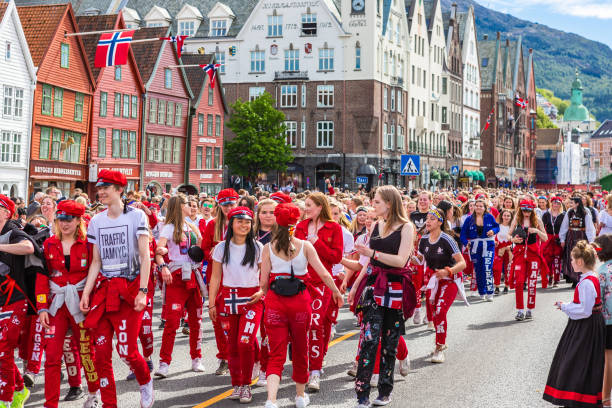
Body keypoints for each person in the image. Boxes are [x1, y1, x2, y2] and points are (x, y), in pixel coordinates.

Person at [79, 170, 154, 408]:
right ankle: (109, 404)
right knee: (101, 355)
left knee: (128, 351)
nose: (100, 192)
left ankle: (145, 382)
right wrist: (87, 292)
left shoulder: (137, 216)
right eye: (99, 189)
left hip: (130, 290)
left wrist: (143, 291)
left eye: (106, 188)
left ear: (120, 190)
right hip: (105, 291)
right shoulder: (97, 221)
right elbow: (96, 262)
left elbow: (145, 257)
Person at [260, 203, 343, 408]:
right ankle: (299, 396)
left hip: (275, 303)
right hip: (300, 302)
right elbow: (323, 273)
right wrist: (336, 291)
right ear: (296, 223)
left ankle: (271, 399)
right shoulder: (305, 246)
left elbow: (263, 283)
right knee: (300, 348)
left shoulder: (268, 248)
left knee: (276, 352)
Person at [349, 186, 416, 408]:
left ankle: (385, 391)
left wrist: (372, 253)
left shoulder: (406, 227)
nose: (373, 206)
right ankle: (362, 394)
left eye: (376, 202)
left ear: (389, 203)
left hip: (395, 287)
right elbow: (367, 263)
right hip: (373, 287)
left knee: (389, 344)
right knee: (369, 340)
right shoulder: (376, 225)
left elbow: (400, 260)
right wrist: (355, 286)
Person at [37, 200, 100, 408]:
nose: (64, 224)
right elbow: (41, 277)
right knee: (52, 356)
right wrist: (42, 307)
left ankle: (93, 394)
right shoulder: (48, 244)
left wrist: (91, 300)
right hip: (56, 305)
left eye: (69, 219)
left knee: (86, 352)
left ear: (78, 220)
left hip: (82, 304)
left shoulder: (89, 244)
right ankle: (50, 403)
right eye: (60, 219)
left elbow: (96, 272)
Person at [209, 207, 264, 403]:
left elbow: (265, 274)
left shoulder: (258, 247)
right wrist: (211, 304)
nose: (244, 225)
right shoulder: (221, 247)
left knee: (245, 341)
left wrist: (262, 291)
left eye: (248, 221)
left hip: (252, 300)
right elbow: (215, 278)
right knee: (231, 345)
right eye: (239, 221)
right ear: (231, 224)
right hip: (228, 300)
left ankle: (247, 384)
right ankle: (237, 384)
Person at [543, 241, 605, 408]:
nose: (570, 263)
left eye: (571, 260)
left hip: (586, 326)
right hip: (590, 324)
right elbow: (586, 304)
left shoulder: (586, 282)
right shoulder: (590, 278)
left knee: (576, 361)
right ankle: (581, 398)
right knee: (583, 361)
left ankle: (577, 399)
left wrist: (565, 306)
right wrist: (569, 304)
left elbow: (585, 310)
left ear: (579, 262)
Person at [294, 192, 343, 392]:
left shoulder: (334, 228)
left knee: (315, 324)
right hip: (302, 282)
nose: (306, 209)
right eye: (305, 205)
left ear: (320, 207)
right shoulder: (300, 227)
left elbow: (337, 257)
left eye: (309, 205)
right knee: (305, 326)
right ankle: (310, 363)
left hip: (322, 284)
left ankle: (314, 371)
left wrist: (317, 243)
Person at [154, 195, 203, 378]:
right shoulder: (168, 227)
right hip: (176, 277)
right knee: (172, 322)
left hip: (193, 276)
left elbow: (200, 249)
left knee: (196, 320)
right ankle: (164, 362)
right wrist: (163, 265)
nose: (191, 206)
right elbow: (158, 253)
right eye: (187, 204)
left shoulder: (192, 226)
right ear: (179, 206)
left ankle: (196, 358)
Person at [417, 208, 467, 363]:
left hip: (450, 279)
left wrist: (448, 271)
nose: (428, 221)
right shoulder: (423, 239)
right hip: (434, 279)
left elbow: (462, 263)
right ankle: (439, 343)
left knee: (440, 311)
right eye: (427, 218)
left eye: (432, 219)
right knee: (433, 312)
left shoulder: (447, 239)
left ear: (440, 222)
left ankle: (439, 347)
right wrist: (406, 258)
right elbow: (419, 260)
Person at [0, 195, 35, 408]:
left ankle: (5, 400)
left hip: (15, 299)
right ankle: (20, 390)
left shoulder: (13, 231)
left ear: (6, 212)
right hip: (1, 300)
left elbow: (28, 247)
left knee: (3, 349)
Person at [201, 188, 239, 375]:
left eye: (232, 204)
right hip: (217, 277)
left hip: (238, 279)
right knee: (217, 319)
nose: (228, 208)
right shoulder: (213, 225)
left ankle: (239, 356)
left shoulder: (244, 222)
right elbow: (204, 249)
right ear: (219, 206)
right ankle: (224, 357)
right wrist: (217, 254)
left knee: (236, 319)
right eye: (225, 205)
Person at [510, 200, 549, 321]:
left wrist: (537, 231)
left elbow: (545, 238)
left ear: (532, 209)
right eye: (524, 210)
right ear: (521, 209)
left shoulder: (538, 221)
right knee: (519, 282)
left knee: (532, 283)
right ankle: (520, 310)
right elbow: (509, 234)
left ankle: (529, 309)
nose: (526, 212)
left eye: (528, 210)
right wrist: (513, 240)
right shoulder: (517, 219)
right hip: (520, 253)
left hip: (533, 254)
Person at [460, 199, 499, 301]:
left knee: (487, 267)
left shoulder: (489, 217)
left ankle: (490, 292)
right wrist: (466, 243)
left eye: (481, 206)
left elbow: (497, 227)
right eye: (476, 206)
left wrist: (493, 231)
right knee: (478, 269)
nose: (478, 207)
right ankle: (482, 291)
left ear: (485, 207)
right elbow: (463, 234)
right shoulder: (469, 219)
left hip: (488, 244)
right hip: (475, 246)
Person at [560, 197, 596, 284]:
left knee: (581, 257)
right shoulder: (569, 212)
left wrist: (591, 241)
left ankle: (580, 278)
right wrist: (562, 239)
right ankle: (573, 279)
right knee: (571, 257)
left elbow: (590, 228)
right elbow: (564, 226)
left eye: (572, 203)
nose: (570, 204)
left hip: (581, 237)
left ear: (577, 204)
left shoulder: (585, 213)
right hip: (571, 237)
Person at [595, 235, 612, 407]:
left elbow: (597, 298)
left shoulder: (602, 271)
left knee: (609, 359)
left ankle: (606, 397)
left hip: (608, 320)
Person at [542, 197, 565, 288]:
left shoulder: (563, 215)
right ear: (551, 204)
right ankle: (550, 276)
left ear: (560, 205)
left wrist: (562, 239)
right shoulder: (546, 214)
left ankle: (556, 279)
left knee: (557, 259)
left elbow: (564, 228)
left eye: (558, 203)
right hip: (548, 238)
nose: (556, 205)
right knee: (548, 259)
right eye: (554, 203)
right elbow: (542, 227)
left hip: (558, 239)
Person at [493, 209, 513, 294]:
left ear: (511, 217)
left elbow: (516, 238)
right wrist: (494, 242)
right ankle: (497, 286)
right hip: (498, 249)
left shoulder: (513, 227)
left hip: (509, 250)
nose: (506, 217)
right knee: (497, 268)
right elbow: (493, 236)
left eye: (508, 216)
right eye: (505, 215)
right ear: (501, 216)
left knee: (508, 269)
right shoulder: (497, 226)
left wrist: (511, 247)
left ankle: (506, 286)